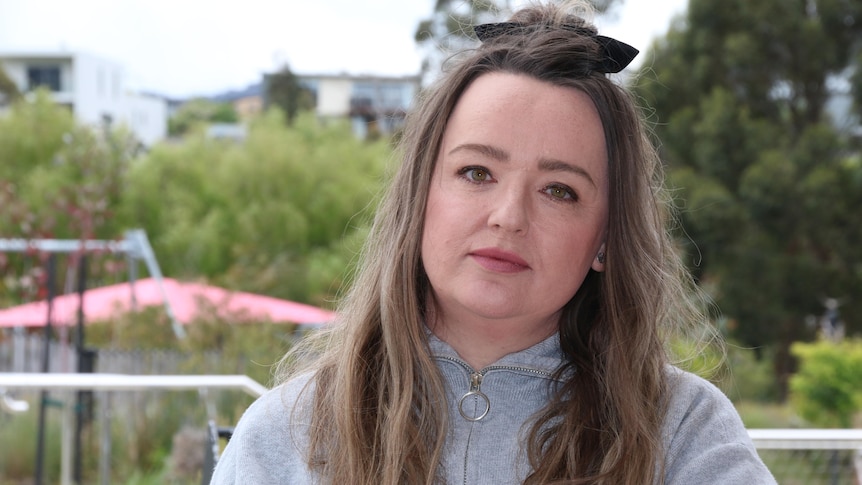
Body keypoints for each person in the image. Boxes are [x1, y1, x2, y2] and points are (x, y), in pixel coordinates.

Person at [210, 1, 776, 483]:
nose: (509, 217)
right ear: (419, 197)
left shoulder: (682, 433)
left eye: (560, 190)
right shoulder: (285, 433)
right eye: (477, 173)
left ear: (605, 239)